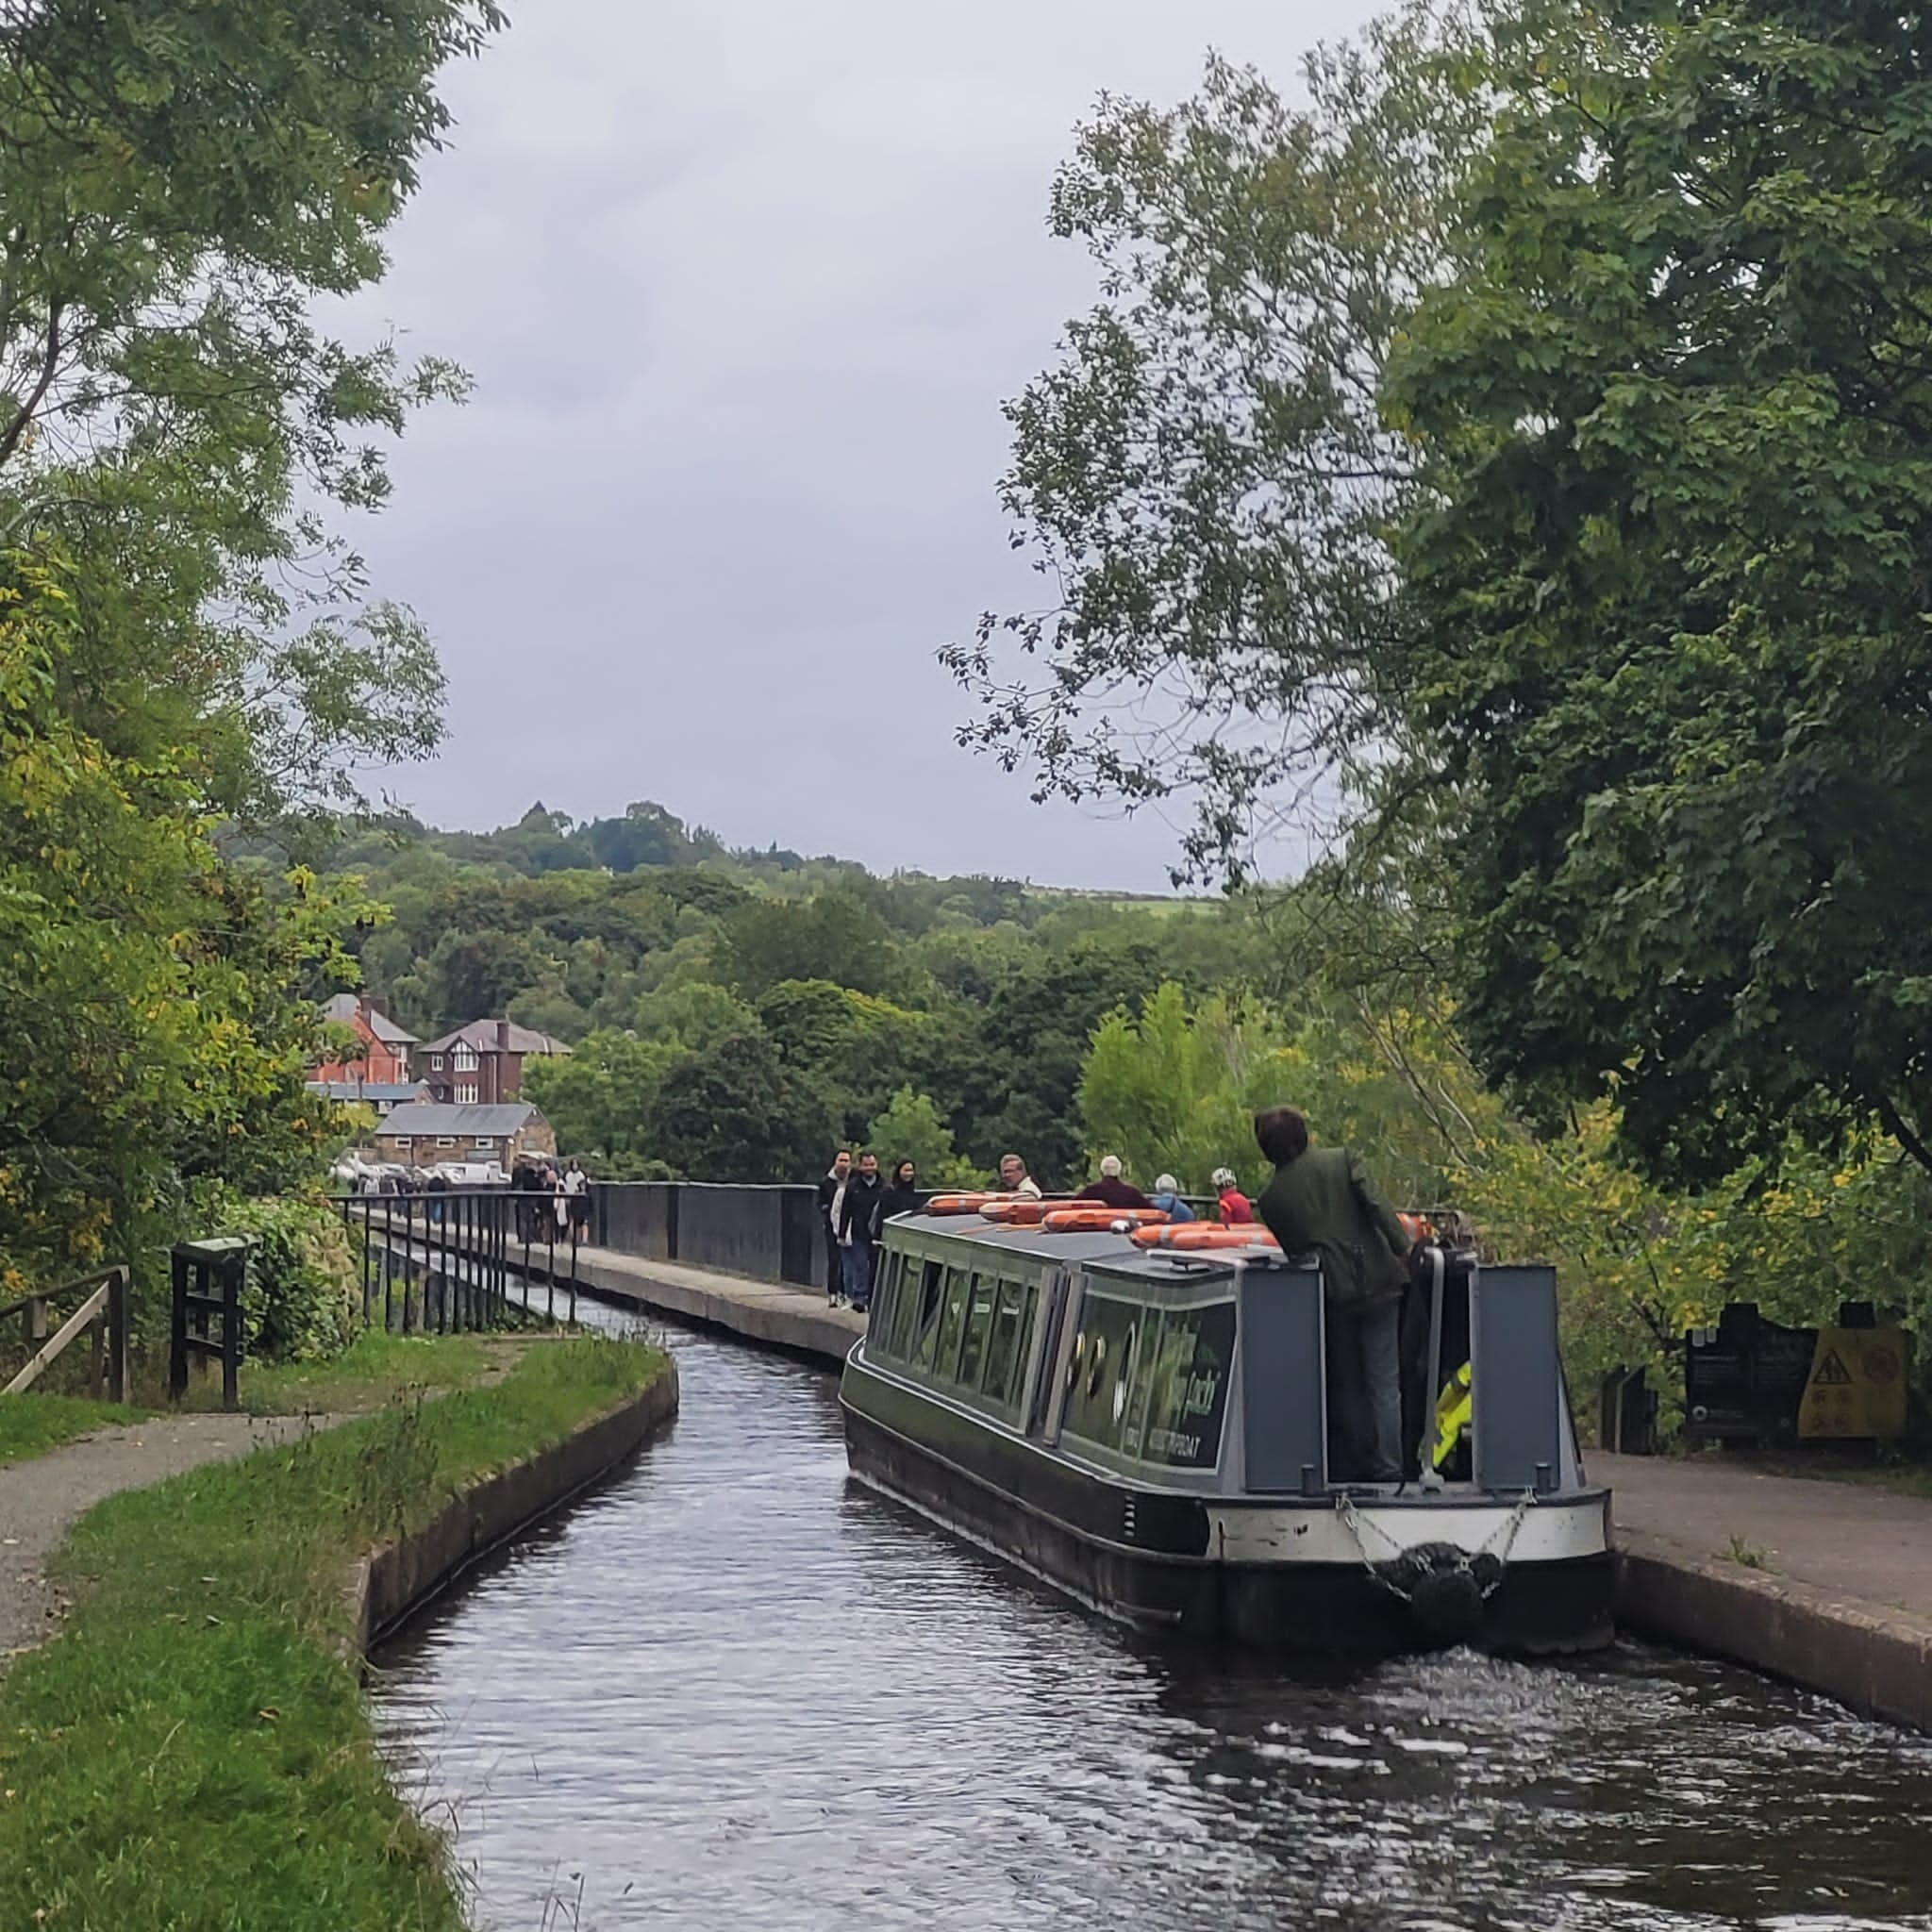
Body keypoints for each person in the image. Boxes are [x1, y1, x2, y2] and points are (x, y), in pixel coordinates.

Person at [1253, 1107, 1414, 1484]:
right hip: (1380, 1281)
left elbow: (1296, 1253)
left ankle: (1359, 1463)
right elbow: (1375, 1205)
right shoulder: (1343, 1160)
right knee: (1385, 1382)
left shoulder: (1271, 1200)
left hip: (1331, 1294)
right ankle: (1392, 1468)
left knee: (1348, 1383)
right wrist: (1401, 1246)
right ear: (1304, 1133)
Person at [836, 1150, 885, 1312]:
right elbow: (845, 1211)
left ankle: (873, 1297)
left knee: (875, 1267)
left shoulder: (883, 1187)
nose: (870, 1168)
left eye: (872, 1164)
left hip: (878, 1234)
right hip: (859, 1232)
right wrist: (842, 1234)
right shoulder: (853, 1187)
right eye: (866, 1165)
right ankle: (860, 1296)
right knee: (861, 1265)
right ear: (860, 1166)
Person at [817, 1150, 852, 1303]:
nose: (844, 1164)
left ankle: (845, 1291)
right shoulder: (826, 1182)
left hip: (850, 1225)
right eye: (841, 1160)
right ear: (835, 1162)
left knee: (848, 1260)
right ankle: (832, 1292)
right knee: (834, 1258)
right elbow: (820, 1203)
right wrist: (827, 1209)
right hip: (831, 1225)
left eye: (846, 1160)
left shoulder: (853, 1182)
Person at [1077, 1155, 1153, 1210]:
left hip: (1093, 1231)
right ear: (1119, 1171)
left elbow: (1071, 1206)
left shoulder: (1091, 1191)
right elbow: (1154, 1211)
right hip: (1126, 1230)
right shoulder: (1132, 1193)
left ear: (1101, 1171)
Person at [881, 1158, 922, 1222]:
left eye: (911, 1170)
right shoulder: (889, 1192)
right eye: (906, 1170)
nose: (909, 1173)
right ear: (899, 1171)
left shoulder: (912, 1192)